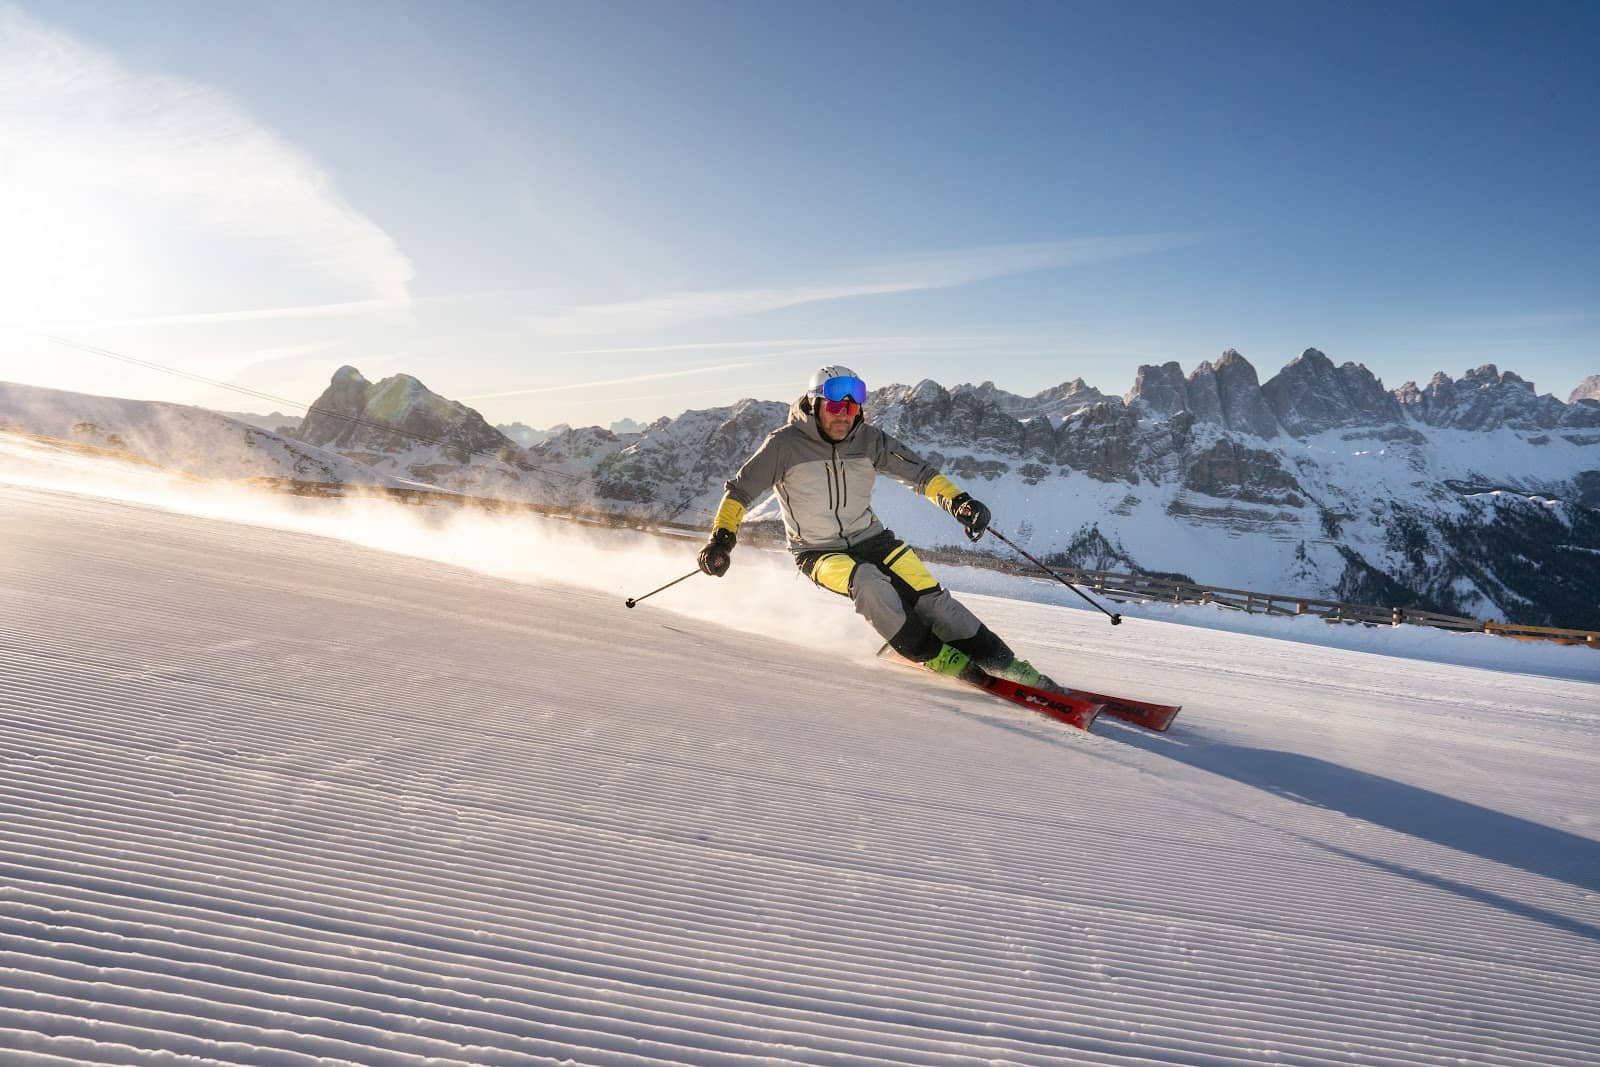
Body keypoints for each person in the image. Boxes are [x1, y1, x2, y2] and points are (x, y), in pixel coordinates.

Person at [696, 365, 1054, 688]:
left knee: (934, 602)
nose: (843, 416)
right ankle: (932, 654)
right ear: (815, 405)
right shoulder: (784, 445)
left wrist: (958, 502)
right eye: (835, 407)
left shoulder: (869, 440)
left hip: (873, 539)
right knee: (868, 582)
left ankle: (1005, 664)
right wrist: (721, 539)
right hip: (817, 551)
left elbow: (921, 475)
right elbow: (740, 491)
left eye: (851, 409)